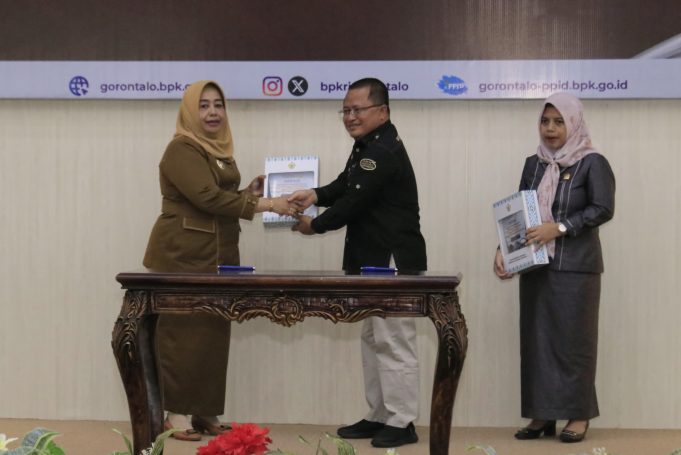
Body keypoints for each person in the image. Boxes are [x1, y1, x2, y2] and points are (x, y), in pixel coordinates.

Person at [143, 80, 291, 441]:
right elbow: (206, 197)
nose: (212, 112)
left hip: (219, 252)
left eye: (218, 105)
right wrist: (266, 204)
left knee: (212, 332)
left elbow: (215, 198)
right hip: (183, 254)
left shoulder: (218, 149)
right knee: (181, 334)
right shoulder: (182, 148)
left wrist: (247, 193)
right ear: (190, 111)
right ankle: (174, 414)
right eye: (204, 105)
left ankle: (204, 411)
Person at [288, 78, 426, 448]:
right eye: (346, 110)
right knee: (373, 339)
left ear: (382, 111)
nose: (350, 116)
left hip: (390, 261)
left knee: (394, 340)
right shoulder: (369, 144)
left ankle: (402, 421)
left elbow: (353, 201)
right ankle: (380, 415)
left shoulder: (381, 150)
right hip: (373, 261)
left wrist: (315, 225)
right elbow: (346, 185)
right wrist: (315, 194)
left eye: (358, 110)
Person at [493, 92, 615, 443]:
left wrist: (558, 228)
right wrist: (504, 250)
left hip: (576, 268)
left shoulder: (592, 162)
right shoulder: (534, 164)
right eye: (545, 121)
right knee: (537, 343)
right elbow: (519, 211)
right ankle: (542, 415)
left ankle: (578, 415)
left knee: (573, 344)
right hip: (536, 266)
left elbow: (602, 208)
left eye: (559, 121)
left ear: (573, 123)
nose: (550, 128)